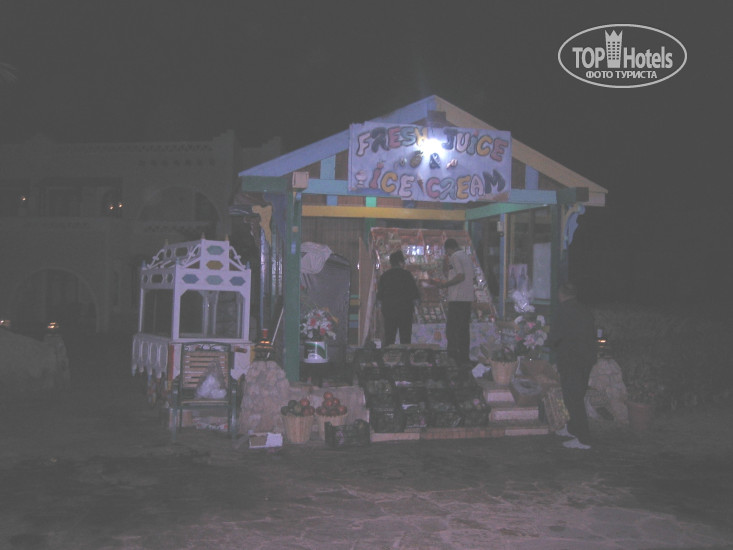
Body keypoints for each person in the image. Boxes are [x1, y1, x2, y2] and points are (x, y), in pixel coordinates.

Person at [548, 282, 597, 450]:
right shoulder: (584, 310)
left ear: (561, 295)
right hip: (585, 359)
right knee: (575, 395)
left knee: (573, 399)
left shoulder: (563, 311)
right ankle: (572, 429)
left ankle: (584, 439)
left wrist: (550, 343)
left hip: (571, 360)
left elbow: (555, 337)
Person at [433, 238, 474, 366]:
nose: (447, 255)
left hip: (457, 299)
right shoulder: (467, 257)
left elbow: (460, 276)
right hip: (467, 299)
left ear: (449, 249)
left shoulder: (455, 256)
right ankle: (464, 358)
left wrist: (445, 284)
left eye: (447, 252)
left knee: (452, 330)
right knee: (463, 330)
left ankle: (453, 358)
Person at [376, 250, 420, 347]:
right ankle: (405, 355)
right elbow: (415, 295)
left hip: (389, 311)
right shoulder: (407, 275)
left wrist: (380, 310)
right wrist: (417, 307)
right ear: (400, 262)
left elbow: (379, 297)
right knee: (405, 338)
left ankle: (389, 355)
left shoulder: (385, 276)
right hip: (405, 311)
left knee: (389, 338)